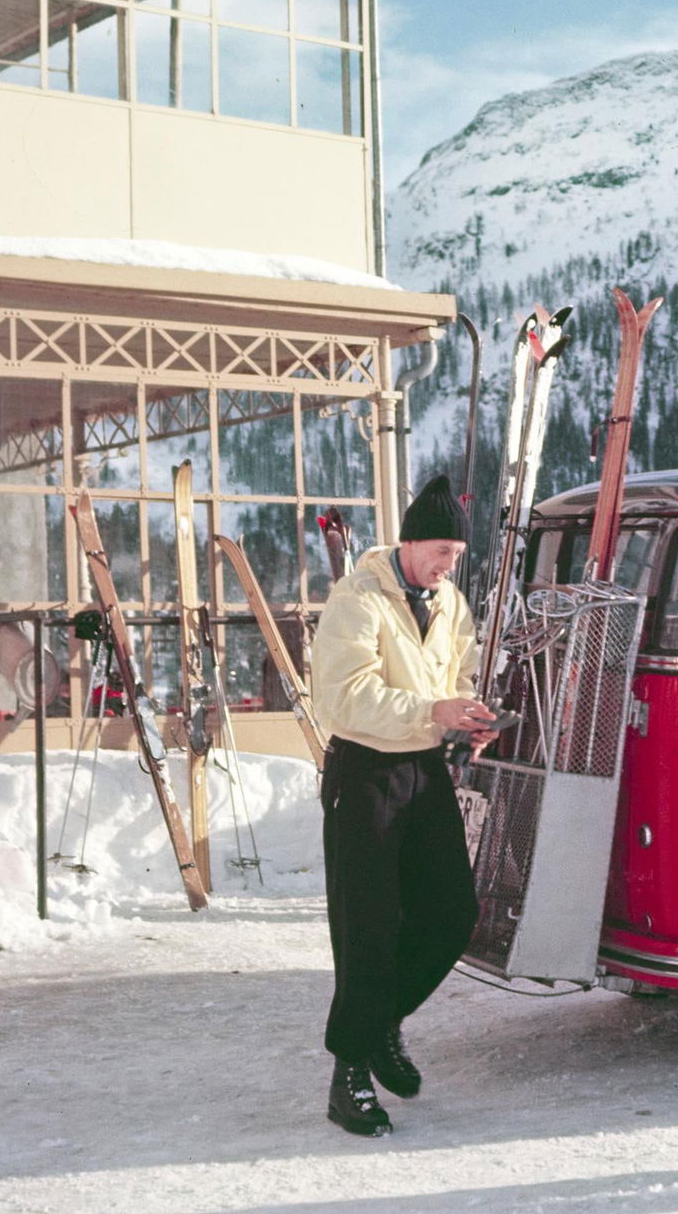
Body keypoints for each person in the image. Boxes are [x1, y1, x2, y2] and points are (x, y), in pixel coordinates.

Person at [308, 475, 498, 1137]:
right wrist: (433, 710)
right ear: (410, 542)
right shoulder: (357, 599)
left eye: (457, 555)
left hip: (423, 767)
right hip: (363, 771)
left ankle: (381, 1021)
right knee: (368, 926)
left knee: (452, 912)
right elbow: (343, 698)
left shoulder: (450, 601)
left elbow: (460, 674)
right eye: (442, 551)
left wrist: (467, 717)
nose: (449, 565)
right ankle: (350, 1074)